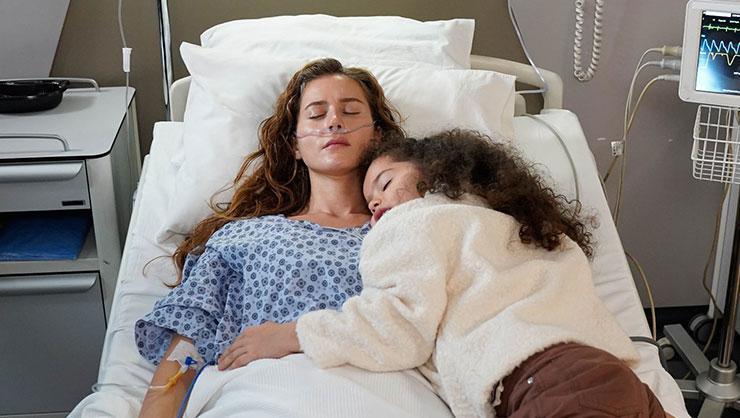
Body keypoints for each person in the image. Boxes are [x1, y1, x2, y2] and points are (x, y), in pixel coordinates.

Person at [221, 129, 670, 418]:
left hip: (545, 384)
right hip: (611, 377)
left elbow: (397, 327)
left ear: (436, 174)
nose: (376, 204)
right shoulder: (523, 224)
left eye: (384, 184)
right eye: (371, 201)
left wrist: (294, 334)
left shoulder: (414, 222)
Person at [134, 58, 404, 417]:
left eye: (350, 112)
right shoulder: (244, 236)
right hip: (265, 395)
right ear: (295, 145)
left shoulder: (408, 230)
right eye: (316, 114)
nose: (334, 121)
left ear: (377, 135)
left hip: (387, 392)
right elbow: (188, 342)